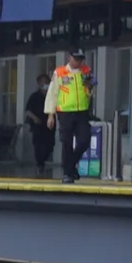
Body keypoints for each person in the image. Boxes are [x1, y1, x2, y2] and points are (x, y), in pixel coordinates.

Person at [52, 50, 95, 182]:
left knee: (85, 140)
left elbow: (90, 91)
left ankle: (70, 165)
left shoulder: (86, 71)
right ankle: (67, 174)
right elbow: (52, 94)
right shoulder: (59, 72)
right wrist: (50, 114)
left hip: (82, 111)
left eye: (80, 59)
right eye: (76, 59)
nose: (78, 62)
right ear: (69, 58)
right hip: (65, 112)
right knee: (67, 143)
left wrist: (90, 85)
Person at [25, 69, 54, 174]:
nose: (45, 84)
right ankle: (40, 164)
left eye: (46, 81)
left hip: (49, 125)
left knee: (50, 145)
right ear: (39, 84)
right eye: (42, 82)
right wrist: (35, 118)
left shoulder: (51, 95)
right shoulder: (34, 96)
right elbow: (27, 111)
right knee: (38, 146)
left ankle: (43, 160)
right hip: (38, 126)